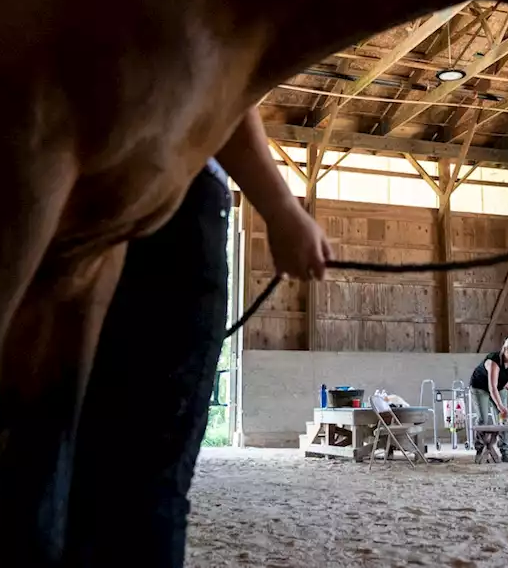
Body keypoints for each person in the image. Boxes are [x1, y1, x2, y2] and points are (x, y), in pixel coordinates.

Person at [65, 108, 331, 567]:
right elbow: (221, 86)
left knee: (71, 468)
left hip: (61, 196)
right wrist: (282, 208)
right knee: (153, 481)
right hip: (174, 200)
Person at [469, 335, 508, 463]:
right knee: (483, 419)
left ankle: (505, 451)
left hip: (499, 388)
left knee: (505, 419)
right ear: (504, 349)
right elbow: (492, 387)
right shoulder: (493, 361)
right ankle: (480, 451)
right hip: (480, 387)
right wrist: (500, 407)